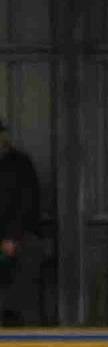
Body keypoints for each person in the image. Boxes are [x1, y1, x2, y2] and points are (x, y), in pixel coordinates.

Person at [0, 119, 44, 325]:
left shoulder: (20, 164)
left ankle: (13, 314)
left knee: (31, 250)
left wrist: (11, 237)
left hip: (18, 236)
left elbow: (28, 205)